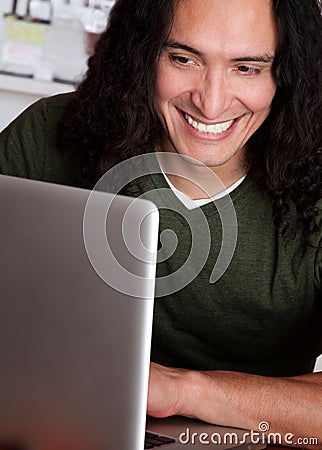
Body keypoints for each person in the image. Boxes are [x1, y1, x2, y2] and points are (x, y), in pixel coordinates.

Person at [1, 0, 322, 445]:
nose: (211, 102)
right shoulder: (49, 135)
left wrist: (179, 391)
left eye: (246, 68)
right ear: (142, 52)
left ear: (288, 74)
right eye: (183, 59)